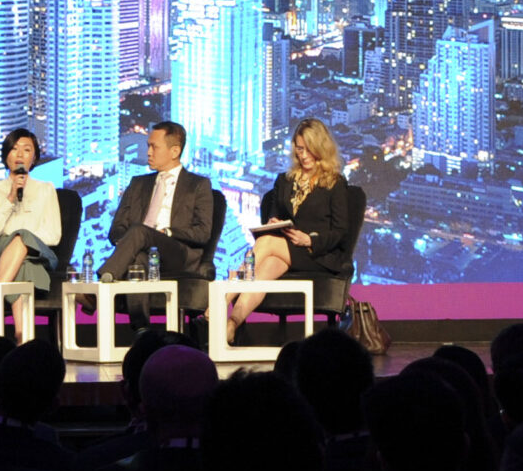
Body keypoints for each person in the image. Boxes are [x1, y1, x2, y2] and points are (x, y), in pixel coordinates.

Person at [226, 117, 352, 339]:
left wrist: (310, 240)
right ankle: (231, 325)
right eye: (300, 149)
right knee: (261, 276)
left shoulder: (335, 183)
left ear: (321, 148)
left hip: (317, 254)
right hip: (285, 250)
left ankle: (222, 299)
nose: (303, 155)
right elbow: (275, 214)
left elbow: (341, 231)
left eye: (309, 149)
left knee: (265, 243)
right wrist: (274, 222)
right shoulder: (284, 180)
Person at [100, 120, 218, 331]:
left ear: (175, 151)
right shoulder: (137, 183)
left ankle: (100, 286)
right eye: (148, 146)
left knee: (140, 231)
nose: (148, 152)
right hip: (141, 250)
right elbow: (116, 229)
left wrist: (168, 232)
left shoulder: (198, 185)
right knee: (138, 258)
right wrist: (129, 244)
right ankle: (142, 330)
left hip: (177, 253)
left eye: (154, 147)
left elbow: (202, 232)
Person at [0, 127, 63, 296]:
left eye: (27, 150)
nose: (20, 155)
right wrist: (10, 197)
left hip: (39, 255)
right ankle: (3, 303)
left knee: (21, 237)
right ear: (6, 155)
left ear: (34, 157)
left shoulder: (46, 189)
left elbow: (53, 235)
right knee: (25, 267)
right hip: (0, 254)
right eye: (14, 149)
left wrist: (22, 238)